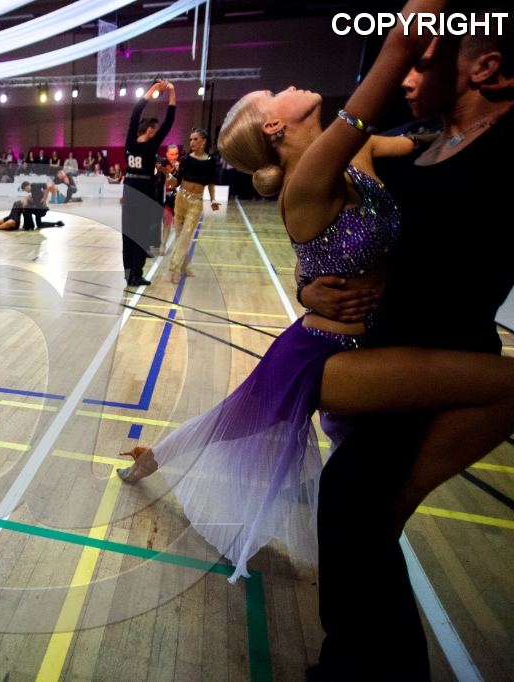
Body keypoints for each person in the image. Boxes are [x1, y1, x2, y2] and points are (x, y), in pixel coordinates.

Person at [119, 6, 514, 681]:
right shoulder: (314, 170)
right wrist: (406, 42)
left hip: (367, 343)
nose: (295, 84)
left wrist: (309, 284)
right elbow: (373, 96)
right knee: (234, 421)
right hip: (326, 352)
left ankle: (151, 457)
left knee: (241, 423)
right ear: (275, 127)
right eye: (278, 93)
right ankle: (149, 462)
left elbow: (419, 150)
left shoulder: (357, 150)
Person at [297, 11, 514, 679]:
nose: (410, 79)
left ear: (486, 68)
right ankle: (356, 661)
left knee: (353, 504)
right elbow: (345, 238)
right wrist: (311, 290)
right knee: (357, 510)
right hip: (388, 357)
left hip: (445, 360)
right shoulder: (423, 142)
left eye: (427, 62)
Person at [122, 81, 175, 287]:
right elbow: (169, 121)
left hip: (129, 195)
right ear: (151, 131)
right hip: (143, 195)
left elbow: (135, 112)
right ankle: (136, 274)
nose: (158, 131)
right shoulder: (151, 145)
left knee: (128, 236)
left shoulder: (130, 141)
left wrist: (151, 91)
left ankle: (129, 274)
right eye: (156, 129)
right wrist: (171, 92)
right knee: (140, 236)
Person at [168, 128, 220, 283]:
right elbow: (177, 181)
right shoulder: (186, 159)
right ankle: (185, 266)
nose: (192, 142)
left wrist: (213, 200)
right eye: (190, 139)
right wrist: (167, 175)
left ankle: (174, 268)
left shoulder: (210, 160)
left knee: (185, 236)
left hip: (196, 202)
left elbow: (211, 182)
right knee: (179, 236)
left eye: (195, 139)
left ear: (204, 141)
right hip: (181, 199)